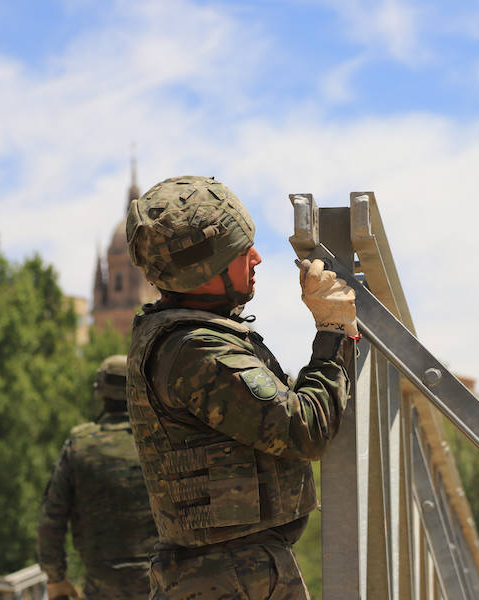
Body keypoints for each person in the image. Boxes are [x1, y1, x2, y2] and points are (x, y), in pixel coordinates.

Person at [125, 175, 358, 599]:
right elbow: (304, 428)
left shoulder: (192, 337)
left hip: (229, 572)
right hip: (229, 579)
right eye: (237, 251)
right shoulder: (195, 351)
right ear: (203, 270)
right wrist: (333, 329)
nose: (256, 258)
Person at [37, 355, 158, 600]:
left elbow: (51, 520)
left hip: (102, 585)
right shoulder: (160, 440)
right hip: (163, 581)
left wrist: (56, 578)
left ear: (101, 396)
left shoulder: (79, 445)